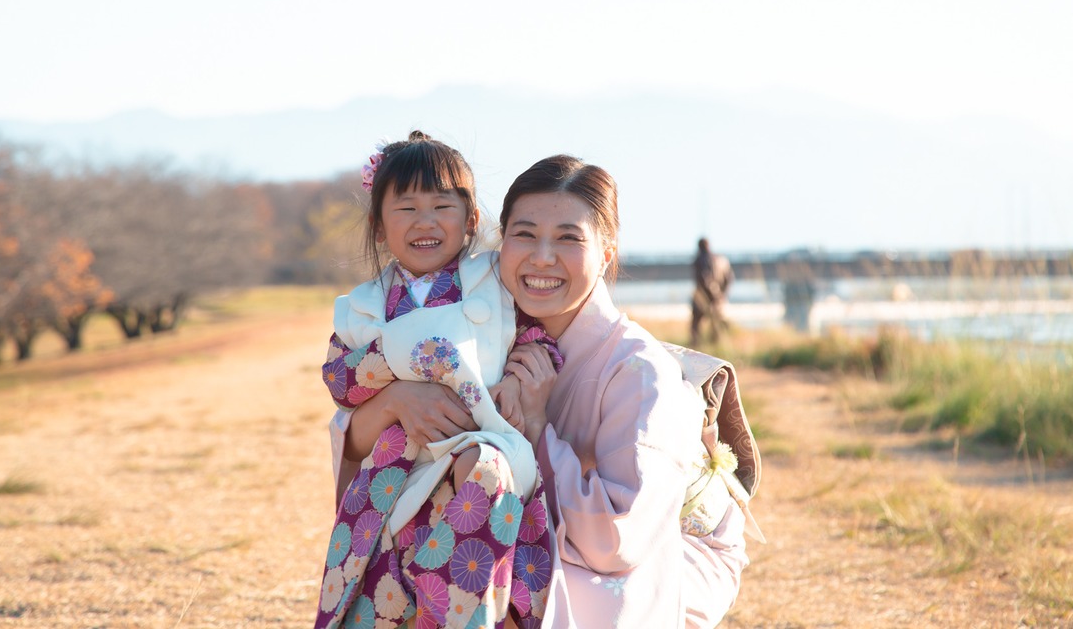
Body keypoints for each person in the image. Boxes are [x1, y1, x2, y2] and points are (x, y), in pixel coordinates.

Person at [314, 132, 558, 629]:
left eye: (442, 206)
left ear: (470, 221)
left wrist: (516, 378)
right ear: (378, 226)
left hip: (476, 461)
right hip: (392, 474)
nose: (425, 222)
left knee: (483, 473)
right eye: (405, 208)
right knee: (381, 596)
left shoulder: (495, 283)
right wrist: (395, 381)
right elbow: (340, 380)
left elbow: (537, 336)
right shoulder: (362, 306)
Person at [498, 156, 751, 628]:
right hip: (561, 531)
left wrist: (536, 427)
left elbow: (617, 540)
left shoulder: (639, 371)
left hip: (668, 546)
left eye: (569, 238)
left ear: (607, 252)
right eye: (525, 234)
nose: (542, 257)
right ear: (501, 240)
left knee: (496, 586)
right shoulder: (493, 333)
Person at [690, 237, 734, 348]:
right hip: (717, 296)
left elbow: (704, 278)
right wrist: (722, 294)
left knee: (696, 323)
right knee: (716, 323)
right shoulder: (721, 259)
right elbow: (729, 277)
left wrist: (711, 294)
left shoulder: (700, 259)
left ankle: (697, 345)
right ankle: (715, 345)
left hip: (704, 296)